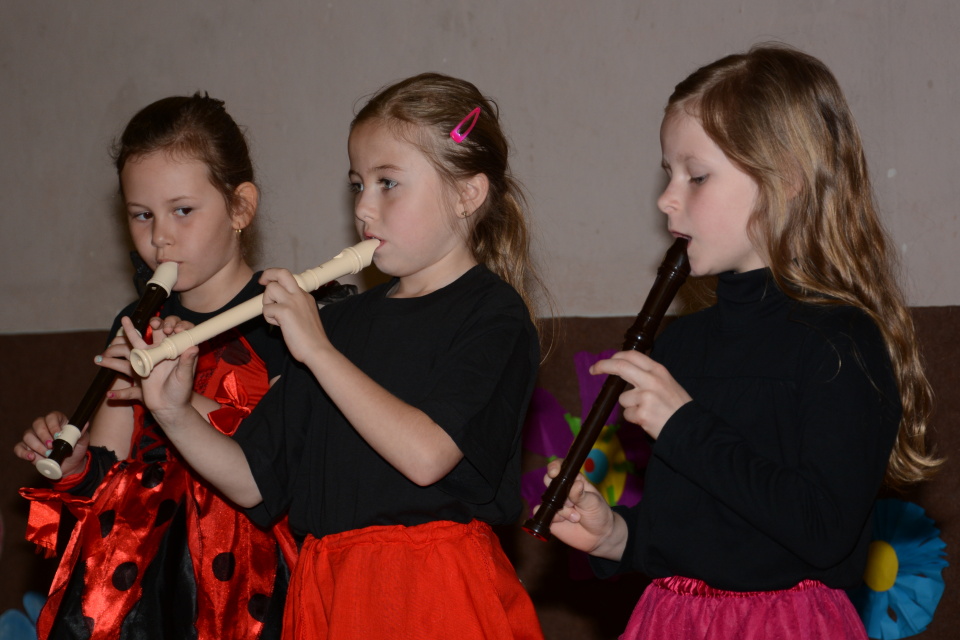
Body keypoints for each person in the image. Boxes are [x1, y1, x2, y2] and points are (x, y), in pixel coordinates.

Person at [123, 73, 547, 639]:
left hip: (433, 590)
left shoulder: (492, 316)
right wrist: (172, 412)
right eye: (357, 185)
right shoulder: (340, 323)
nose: (364, 208)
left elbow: (427, 455)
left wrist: (317, 351)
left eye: (388, 183)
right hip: (327, 589)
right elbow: (253, 481)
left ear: (468, 195)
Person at [539, 44, 940, 640]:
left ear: (787, 180)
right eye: (668, 173)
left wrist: (685, 425)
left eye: (696, 175)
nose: (666, 198)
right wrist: (616, 536)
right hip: (671, 620)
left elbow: (822, 529)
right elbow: (705, 531)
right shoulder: (682, 345)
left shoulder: (841, 343)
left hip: (787, 624)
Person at [15, 94, 297, 640]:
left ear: (240, 208)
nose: (159, 236)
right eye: (141, 215)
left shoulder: (283, 318)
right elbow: (112, 470)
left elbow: (282, 466)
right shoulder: (135, 321)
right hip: (136, 585)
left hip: (245, 584)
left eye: (182, 211)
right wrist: (76, 462)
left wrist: (177, 401)